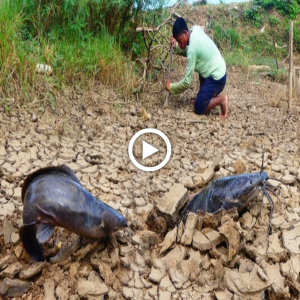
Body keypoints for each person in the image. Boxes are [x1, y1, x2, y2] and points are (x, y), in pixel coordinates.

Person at [165, 17, 228, 119]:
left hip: (217, 79)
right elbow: (189, 48)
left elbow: (186, 83)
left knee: (198, 107)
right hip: (216, 69)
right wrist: (176, 45)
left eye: (180, 41)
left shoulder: (192, 50)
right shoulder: (194, 29)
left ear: (185, 33)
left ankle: (221, 100)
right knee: (201, 66)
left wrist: (171, 87)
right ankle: (203, 97)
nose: (180, 45)